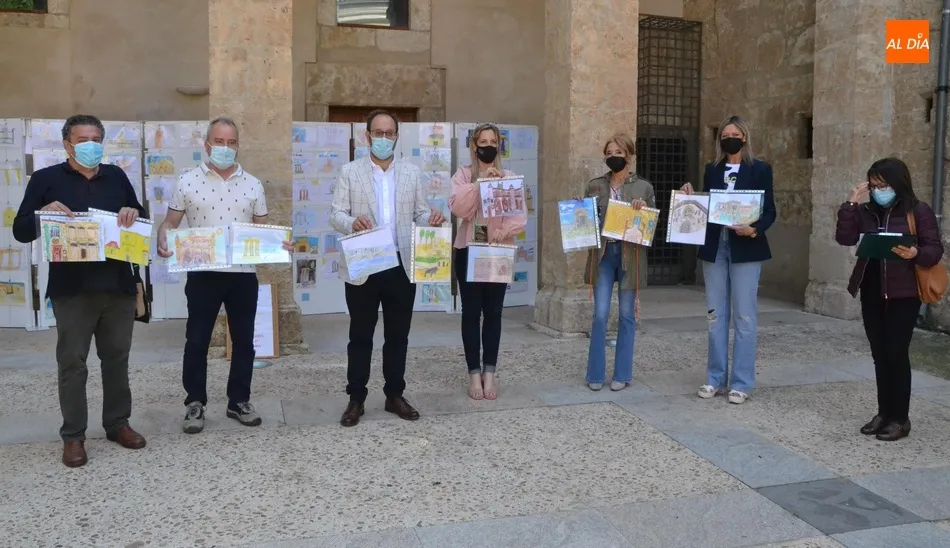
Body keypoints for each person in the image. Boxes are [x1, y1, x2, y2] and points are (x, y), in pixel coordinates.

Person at [13, 114, 147, 467]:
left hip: (117, 285)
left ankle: (118, 423)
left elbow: (140, 216)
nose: (90, 145)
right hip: (72, 289)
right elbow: (21, 230)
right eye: (82, 139)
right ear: (67, 144)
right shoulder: (46, 179)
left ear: (102, 142)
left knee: (116, 359)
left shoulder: (116, 176)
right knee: (72, 363)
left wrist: (134, 211)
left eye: (95, 139)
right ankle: (73, 435)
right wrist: (42, 213)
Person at [157, 116, 293, 434]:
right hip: (203, 273)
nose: (226, 148)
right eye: (219, 142)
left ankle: (239, 401)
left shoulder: (253, 184)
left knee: (244, 341)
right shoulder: (187, 181)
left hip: (243, 275)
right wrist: (164, 236)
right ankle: (195, 402)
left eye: (232, 142)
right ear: (207, 145)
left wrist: (278, 242)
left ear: (238, 146)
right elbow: (171, 223)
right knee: (197, 339)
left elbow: (263, 229)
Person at [330, 109, 446, 427]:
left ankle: (395, 394)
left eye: (389, 133)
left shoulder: (411, 173)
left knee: (398, 335)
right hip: (365, 261)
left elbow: (420, 213)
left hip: (401, 264)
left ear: (397, 136)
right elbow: (335, 213)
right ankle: (356, 398)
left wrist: (431, 219)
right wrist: (352, 221)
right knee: (361, 335)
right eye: (377, 133)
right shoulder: (350, 172)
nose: (383, 139)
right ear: (366, 136)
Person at [835, 158, 944, 441]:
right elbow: (845, 238)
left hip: (903, 293)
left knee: (896, 353)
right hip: (871, 290)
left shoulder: (918, 211)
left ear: (898, 183)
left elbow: (934, 249)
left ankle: (900, 418)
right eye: (874, 185)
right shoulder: (866, 211)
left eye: (883, 185)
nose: (879, 190)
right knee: (879, 355)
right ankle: (883, 413)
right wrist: (850, 205)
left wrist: (915, 253)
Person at [681, 115, 776, 404]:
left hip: (746, 246)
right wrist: (689, 196)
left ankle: (742, 382)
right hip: (715, 246)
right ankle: (714, 378)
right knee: (715, 315)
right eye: (725, 133)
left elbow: (769, 210)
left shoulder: (760, 169)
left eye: (735, 133)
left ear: (744, 137)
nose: (729, 137)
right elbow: (706, 205)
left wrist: (754, 229)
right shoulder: (712, 169)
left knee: (745, 316)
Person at [448, 122, 527, 400]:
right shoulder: (464, 175)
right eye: (484, 142)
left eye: (493, 142)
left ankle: (490, 372)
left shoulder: (509, 175)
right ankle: (473, 372)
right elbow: (459, 209)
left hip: (498, 251)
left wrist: (506, 231)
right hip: (469, 249)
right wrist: (481, 184)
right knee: (471, 314)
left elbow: (518, 215)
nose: (489, 147)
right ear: (474, 146)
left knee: (493, 312)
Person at [581, 133, 655, 391]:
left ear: (629, 156)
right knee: (600, 315)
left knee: (626, 315)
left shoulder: (643, 187)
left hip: (629, 256)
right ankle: (595, 375)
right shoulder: (595, 185)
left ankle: (622, 374)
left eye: (619, 152)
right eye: (610, 152)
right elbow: (584, 220)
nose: (614, 156)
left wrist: (641, 209)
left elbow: (650, 227)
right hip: (603, 255)